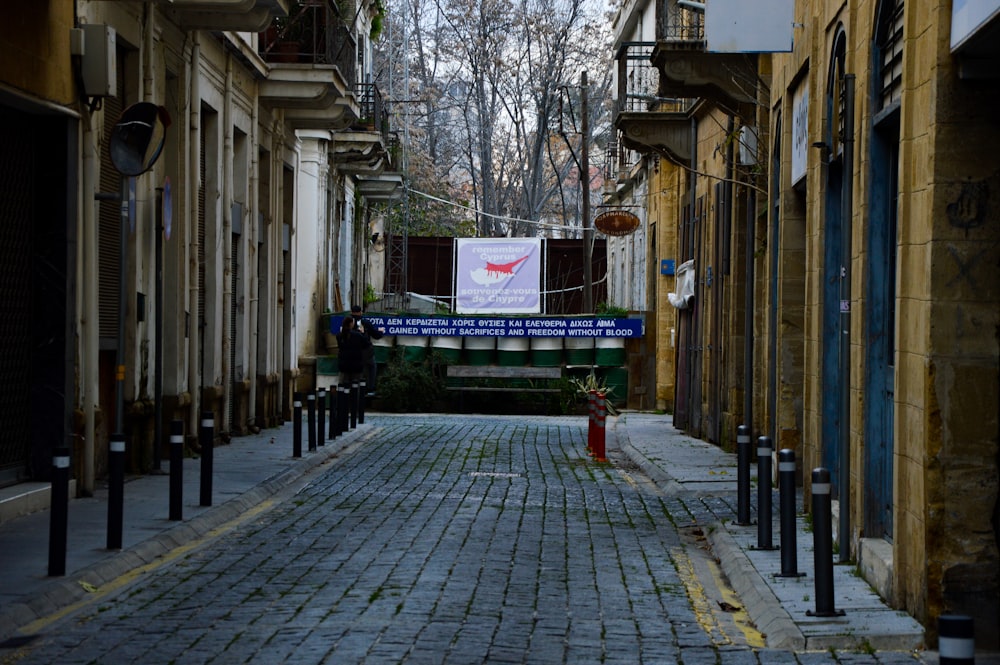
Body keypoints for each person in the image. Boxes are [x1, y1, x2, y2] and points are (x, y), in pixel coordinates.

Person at [351, 304, 384, 394]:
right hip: (366, 351)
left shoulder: (348, 322)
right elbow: (375, 334)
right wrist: (381, 332)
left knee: (358, 371)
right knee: (372, 367)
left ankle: (356, 389)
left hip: (352, 351)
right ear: (360, 312)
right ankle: (370, 388)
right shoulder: (365, 322)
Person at [336, 316, 371, 389]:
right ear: (351, 324)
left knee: (343, 387)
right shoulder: (357, 335)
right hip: (356, 365)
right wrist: (363, 333)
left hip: (344, 365)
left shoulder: (339, 336)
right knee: (355, 388)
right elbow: (367, 344)